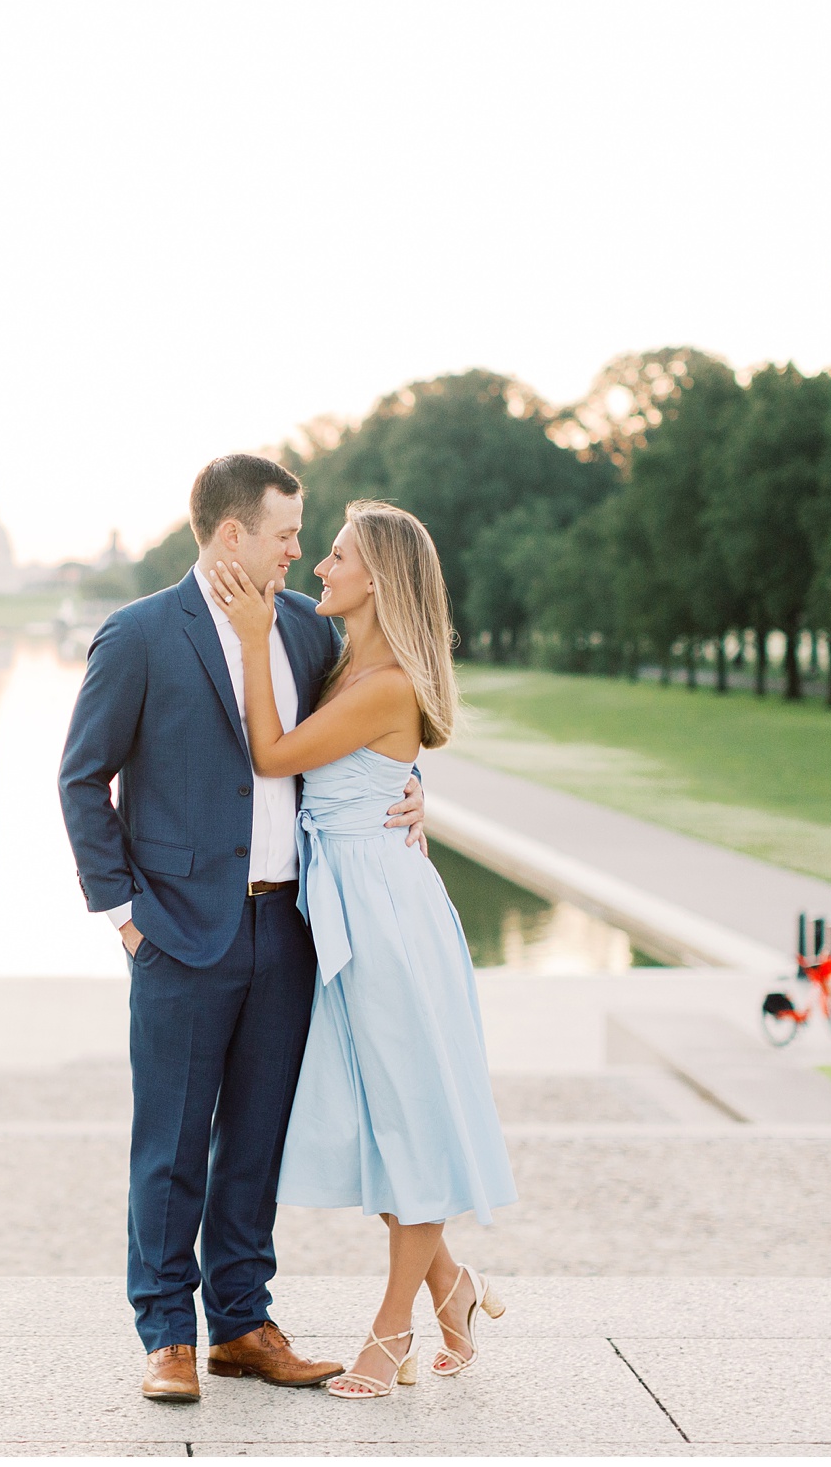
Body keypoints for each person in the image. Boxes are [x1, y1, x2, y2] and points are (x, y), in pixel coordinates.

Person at [58, 455, 429, 1403]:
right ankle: (166, 1335)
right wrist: (125, 916)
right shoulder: (140, 634)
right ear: (233, 535)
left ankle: (241, 1323)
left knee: (256, 1139)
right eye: (286, 533)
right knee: (172, 1144)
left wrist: (412, 789)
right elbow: (82, 779)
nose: (299, 551)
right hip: (178, 932)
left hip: (289, 927)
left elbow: (371, 725)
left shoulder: (306, 628)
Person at [205, 497, 515, 1401]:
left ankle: (391, 1333)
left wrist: (254, 639)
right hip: (343, 905)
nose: (318, 566)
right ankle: (453, 1286)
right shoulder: (345, 659)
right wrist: (409, 781)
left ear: (377, 578)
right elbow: (370, 769)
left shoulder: (384, 682)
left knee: (408, 1119)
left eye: (336, 554)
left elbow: (274, 755)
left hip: (383, 916)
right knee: (381, 1117)